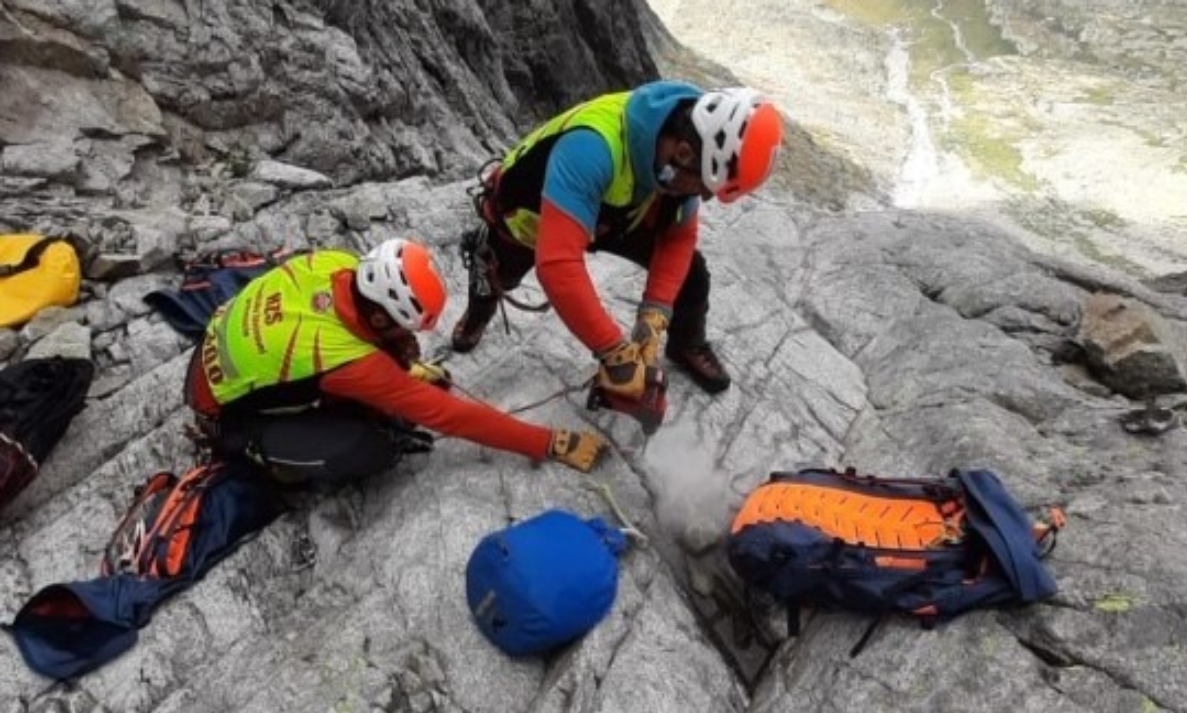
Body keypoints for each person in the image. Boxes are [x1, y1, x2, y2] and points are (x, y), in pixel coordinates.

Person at [451, 80, 783, 400]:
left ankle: (685, 343)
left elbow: (679, 236)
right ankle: (478, 314)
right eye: (704, 189)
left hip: (612, 214)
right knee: (494, 275)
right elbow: (557, 266)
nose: (702, 198)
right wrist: (614, 351)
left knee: (691, 276)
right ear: (683, 154)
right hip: (527, 218)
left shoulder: (687, 137)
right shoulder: (591, 149)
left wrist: (655, 314)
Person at [184, 238, 607, 484]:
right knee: (374, 447)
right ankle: (263, 455)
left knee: (377, 377)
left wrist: (400, 361)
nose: (410, 338)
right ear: (381, 315)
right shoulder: (343, 360)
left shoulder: (340, 262)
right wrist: (548, 443)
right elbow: (452, 416)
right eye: (404, 327)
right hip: (221, 407)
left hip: (220, 346)